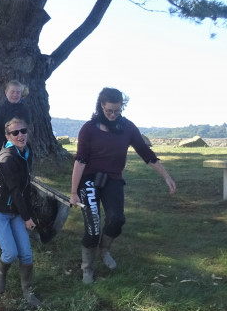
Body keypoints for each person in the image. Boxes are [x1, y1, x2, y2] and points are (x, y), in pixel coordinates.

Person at [69, 87, 177, 282]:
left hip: (113, 180)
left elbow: (146, 153)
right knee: (93, 227)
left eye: (117, 111)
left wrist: (166, 176)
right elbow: (80, 161)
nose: (112, 115)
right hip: (89, 181)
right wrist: (73, 192)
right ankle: (87, 268)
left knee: (117, 219)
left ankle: (104, 250)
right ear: (101, 106)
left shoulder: (127, 127)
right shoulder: (89, 128)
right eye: (109, 110)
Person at [0, 117, 41, 309]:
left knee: (26, 254)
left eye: (23, 131)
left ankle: (28, 290)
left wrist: (28, 212)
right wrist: (27, 218)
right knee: (10, 253)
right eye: (15, 133)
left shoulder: (26, 151)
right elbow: (15, 192)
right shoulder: (8, 158)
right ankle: (1, 273)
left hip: (16, 211)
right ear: (8, 136)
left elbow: (26, 186)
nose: (21, 135)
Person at [0, 80, 30, 157]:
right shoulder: (0, 110)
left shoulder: (25, 108)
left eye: (18, 92)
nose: (15, 94)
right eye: (12, 92)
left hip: (23, 145)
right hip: (7, 146)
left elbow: (27, 127)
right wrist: (3, 149)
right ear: (6, 92)